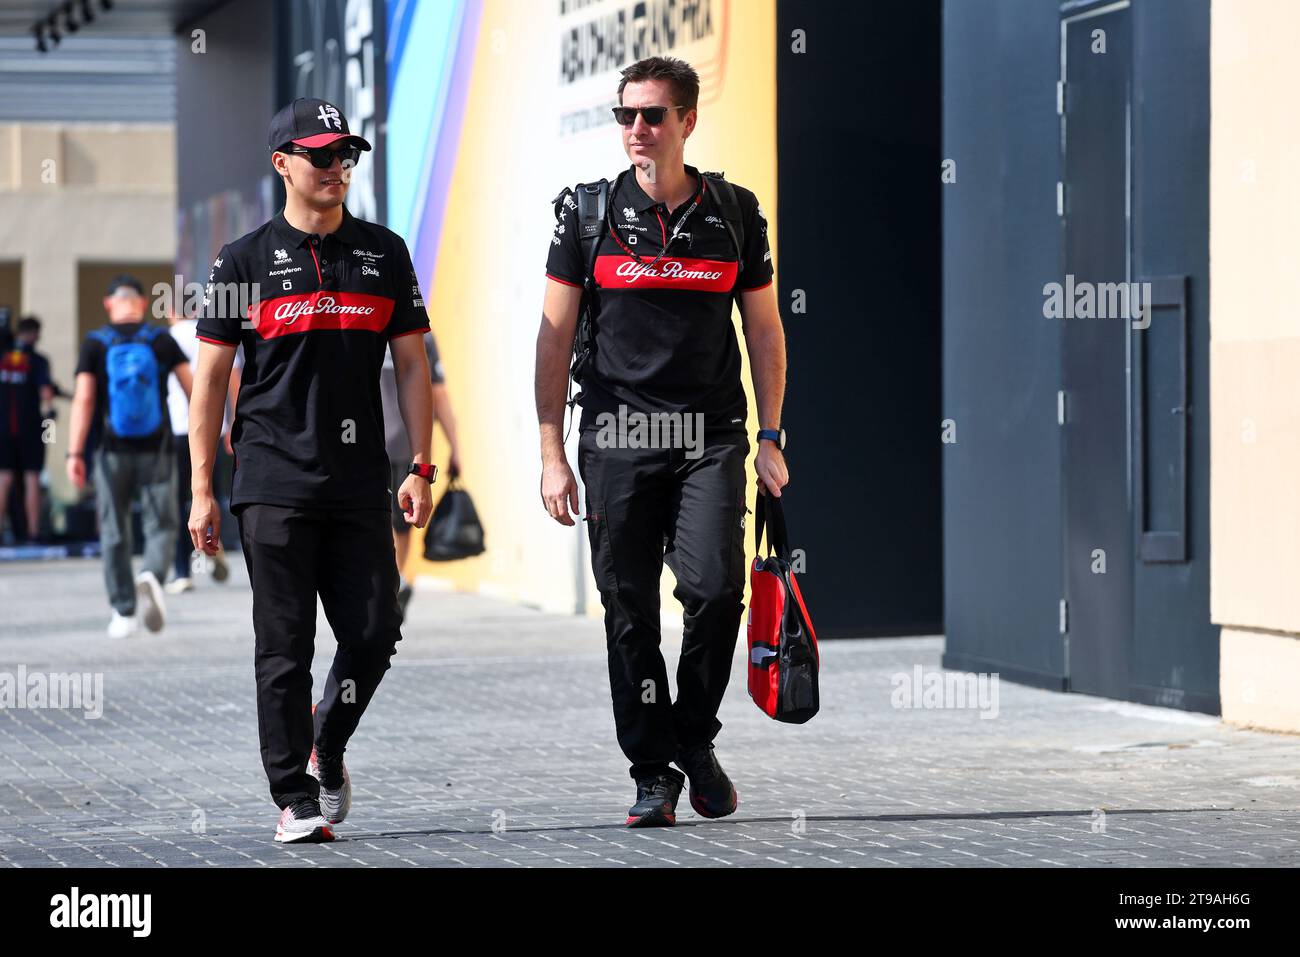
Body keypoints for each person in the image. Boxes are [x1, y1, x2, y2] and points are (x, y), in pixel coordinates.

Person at [535, 57, 790, 827]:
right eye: (626, 116)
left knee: (715, 593)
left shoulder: (735, 213)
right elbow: (552, 341)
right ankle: (655, 770)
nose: (636, 130)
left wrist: (772, 433)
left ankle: (693, 739)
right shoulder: (586, 214)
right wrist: (551, 450)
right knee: (628, 608)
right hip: (615, 437)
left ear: (687, 121)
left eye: (652, 115)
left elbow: (766, 330)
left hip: (711, 435)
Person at [188, 98, 436, 844]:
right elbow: (208, 381)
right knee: (284, 643)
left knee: (374, 629)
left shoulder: (385, 252)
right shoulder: (242, 261)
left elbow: (415, 363)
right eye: (321, 155)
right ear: (282, 165)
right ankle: (293, 794)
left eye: (345, 156)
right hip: (270, 479)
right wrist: (202, 487)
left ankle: (327, 739)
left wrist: (420, 465)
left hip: (362, 479)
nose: (336, 168)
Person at [67, 277, 193, 638]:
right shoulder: (159, 339)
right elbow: (192, 390)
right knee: (163, 523)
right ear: (140, 302)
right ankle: (152, 574)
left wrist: (74, 452)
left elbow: (85, 400)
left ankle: (123, 612)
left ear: (109, 303)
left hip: (111, 452)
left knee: (114, 529)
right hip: (158, 447)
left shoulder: (95, 343)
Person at [379, 330, 461, 618]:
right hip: (403, 446)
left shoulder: (359, 319)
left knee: (388, 518)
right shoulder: (419, 334)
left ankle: (390, 583)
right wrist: (455, 446)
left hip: (369, 444)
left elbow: (437, 391)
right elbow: (438, 393)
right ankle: (395, 579)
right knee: (400, 519)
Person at [165, 307, 235, 593]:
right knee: (211, 493)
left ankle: (183, 571)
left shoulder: (168, 338)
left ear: (170, 311)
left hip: (177, 428)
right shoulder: (214, 330)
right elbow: (232, 377)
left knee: (182, 498)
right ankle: (212, 543)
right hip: (213, 429)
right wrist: (233, 421)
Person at [0, 316, 55, 543]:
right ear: (34, 333)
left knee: (3, 477)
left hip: (2, 429)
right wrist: (49, 421)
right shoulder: (37, 360)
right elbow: (47, 394)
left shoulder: (3, 358)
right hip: (31, 428)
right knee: (33, 476)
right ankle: (32, 532)